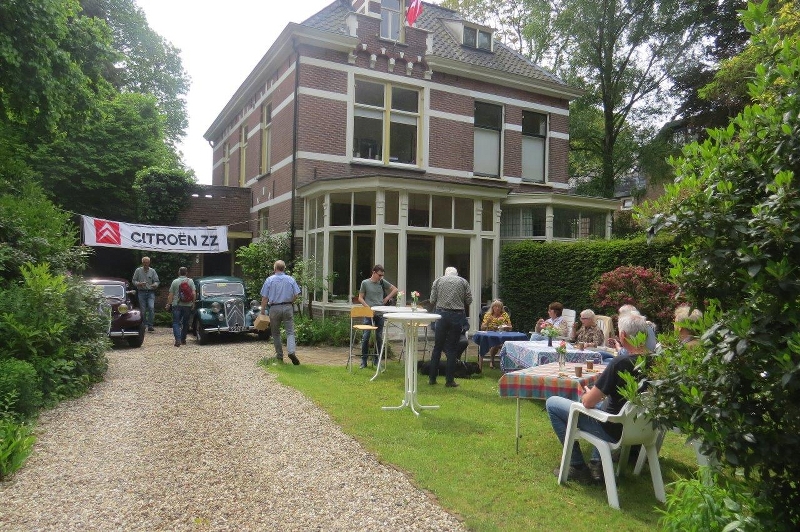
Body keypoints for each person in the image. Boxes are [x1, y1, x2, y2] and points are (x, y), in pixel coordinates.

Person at [546, 313, 651, 483]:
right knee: (603, 403)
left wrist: (586, 395)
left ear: (623, 335)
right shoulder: (657, 361)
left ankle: (576, 465)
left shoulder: (620, 363)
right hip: (643, 428)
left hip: (613, 429)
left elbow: (588, 402)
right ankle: (596, 463)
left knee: (553, 404)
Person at [429, 266, 472, 388]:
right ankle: (449, 380)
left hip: (441, 314)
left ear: (445, 273)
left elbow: (432, 300)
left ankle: (432, 378)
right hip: (457, 315)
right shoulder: (463, 282)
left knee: (437, 347)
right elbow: (469, 300)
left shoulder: (438, 281)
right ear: (456, 274)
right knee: (452, 349)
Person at [260, 260, 301, 365]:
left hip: (274, 308)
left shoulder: (269, 280)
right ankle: (291, 352)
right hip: (287, 307)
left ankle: (279, 356)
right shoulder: (290, 279)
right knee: (290, 332)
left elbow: (264, 298)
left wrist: (262, 310)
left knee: (275, 333)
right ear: (284, 268)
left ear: (275, 268)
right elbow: (296, 295)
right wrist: (290, 302)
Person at [357, 264, 398, 369]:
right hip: (369, 314)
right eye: (379, 275)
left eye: (382, 275)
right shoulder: (365, 283)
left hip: (380, 314)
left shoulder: (382, 282)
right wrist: (368, 308)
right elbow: (360, 298)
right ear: (374, 272)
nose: (381, 277)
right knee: (366, 337)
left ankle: (377, 360)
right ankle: (364, 361)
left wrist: (387, 298)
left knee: (378, 337)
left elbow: (395, 289)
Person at [165, 266, 194, 347]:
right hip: (187, 305)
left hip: (176, 305)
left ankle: (177, 340)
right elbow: (194, 293)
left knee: (176, 322)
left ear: (179, 272)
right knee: (185, 323)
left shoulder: (175, 281)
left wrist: (168, 304)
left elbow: (171, 295)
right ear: (186, 273)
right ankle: (183, 339)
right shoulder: (190, 281)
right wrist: (193, 303)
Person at [480, 299, 512, 369]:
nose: (497, 308)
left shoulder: (504, 315)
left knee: (501, 344)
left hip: (502, 335)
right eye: (495, 306)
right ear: (492, 307)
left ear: (501, 308)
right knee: (495, 343)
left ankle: (498, 361)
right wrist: (487, 322)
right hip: (490, 335)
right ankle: (492, 361)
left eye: (499, 307)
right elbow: (482, 328)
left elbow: (510, 327)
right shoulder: (488, 315)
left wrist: (505, 327)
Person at [132, 256, 159, 332]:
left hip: (150, 292)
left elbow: (157, 281)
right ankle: (143, 324)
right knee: (143, 310)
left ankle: (150, 325)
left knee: (151, 308)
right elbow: (134, 281)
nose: (146, 264)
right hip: (141, 292)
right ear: (142, 263)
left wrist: (155, 285)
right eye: (144, 262)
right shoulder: (138, 270)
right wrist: (139, 284)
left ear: (149, 263)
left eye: (147, 262)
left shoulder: (152, 271)